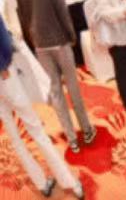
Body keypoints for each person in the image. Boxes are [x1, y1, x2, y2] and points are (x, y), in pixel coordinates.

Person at [12, 0, 95, 154]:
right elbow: (59, 1)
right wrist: (70, 32)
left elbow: (21, 6)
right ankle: (86, 130)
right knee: (73, 87)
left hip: (38, 39)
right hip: (57, 36)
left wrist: (31, 35)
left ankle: (71, 138)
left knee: (56, 91)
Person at [0, 12, 84, 198]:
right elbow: (4, 42)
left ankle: (41, 183)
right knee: (35, 129)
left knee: (14, 136)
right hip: (5, 76)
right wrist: (4, 64)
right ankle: (69, 182)